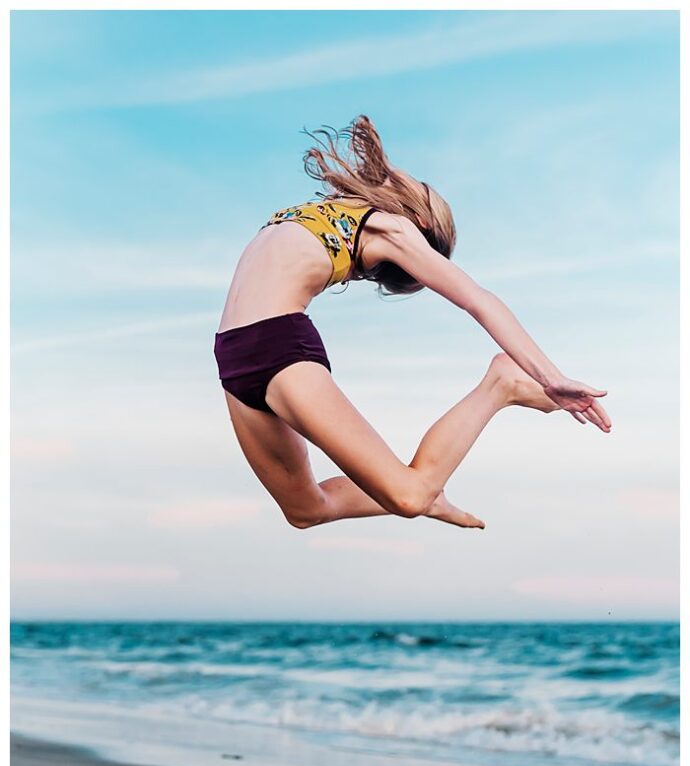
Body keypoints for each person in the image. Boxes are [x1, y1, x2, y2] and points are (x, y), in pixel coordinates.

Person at [214, 114, 611, 531]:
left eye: (424, 193)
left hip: (277, 346)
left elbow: (478, 300)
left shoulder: (394, 228)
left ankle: (501, 385)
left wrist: (549, 378)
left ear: (421, 222)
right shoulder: (344, 210)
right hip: (232, 357)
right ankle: (428, 495)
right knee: (306, 510)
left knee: (408, 496)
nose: (415, 181)